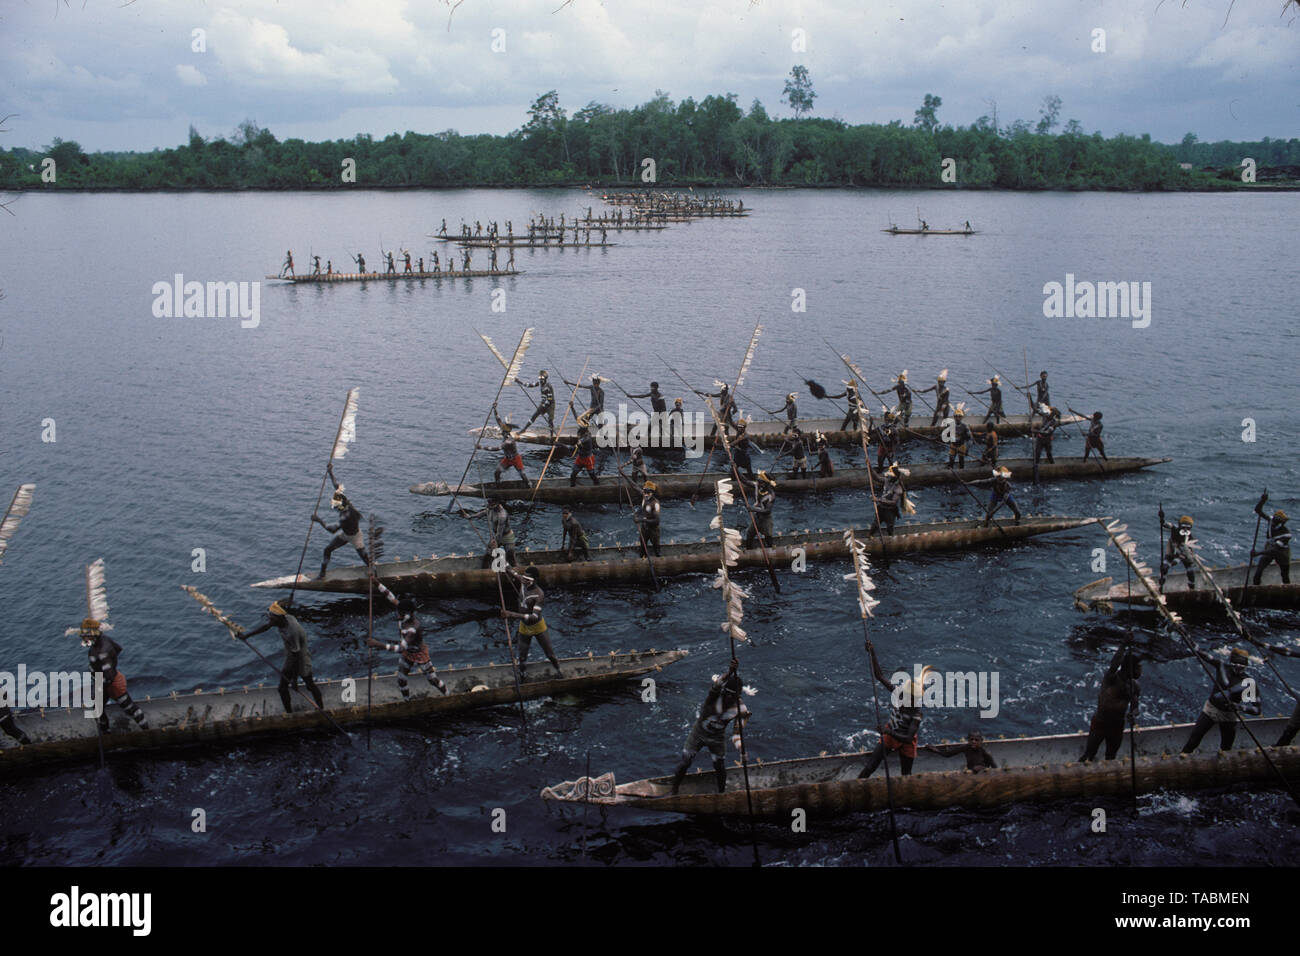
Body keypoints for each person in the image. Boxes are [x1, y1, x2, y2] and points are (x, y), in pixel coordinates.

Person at [669, 660, 751, 795]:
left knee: (719, 766)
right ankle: (673, 791)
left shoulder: (741, 710)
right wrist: (730, 671)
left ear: (738, 696)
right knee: (685, 762)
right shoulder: (714, 697)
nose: (729, 697)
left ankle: (721, 793)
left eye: (733, 695)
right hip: (698, 733)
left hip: (717, 738)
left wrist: (741, 749)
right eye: (727, 693)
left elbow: (737, 734)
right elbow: (718, 683)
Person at [858, 642, 930, 778]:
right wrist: (872, 652)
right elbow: (879, 676)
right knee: (870, 767)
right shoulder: (899, 694)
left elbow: (908, 738)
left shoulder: (916, 714)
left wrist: (888, 732)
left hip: (903, 739)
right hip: (890, 735)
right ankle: (857, 785)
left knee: (906, 774)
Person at [240, 602, 324, 714]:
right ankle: (289, 714)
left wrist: (294, 681)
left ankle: (322, 709)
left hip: (301, 657)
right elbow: (266, 627)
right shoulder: (282, 620)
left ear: (279, 618)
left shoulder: (292, 632)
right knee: (282, 688)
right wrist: (247, 636)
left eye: (272, 618)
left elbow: (296, 658)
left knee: (310, 685)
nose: (270, 620)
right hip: (291, 654)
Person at [366, 586, 447, 697]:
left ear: (409, 613)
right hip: (407, 654)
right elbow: (389, 595)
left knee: (433, 680)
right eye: (398, 612)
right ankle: (407, 701)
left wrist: (378, 644)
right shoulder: (403, 611)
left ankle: (447, 694)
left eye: (401, 614)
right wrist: (375, 582)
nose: (398, 615)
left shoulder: (413, 628)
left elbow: (401, 648)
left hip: (419, 654)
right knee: (401, 680)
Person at [1181, 647, 1260, 753]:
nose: (1239, 669)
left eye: (1243, 666)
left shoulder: (1249, 683)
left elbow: (1257, 710)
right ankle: (1183, 756)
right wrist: (1191, 644)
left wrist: (1240, 707)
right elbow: (1205, 656)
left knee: (1226, 747)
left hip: (1229, 715)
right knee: (1194, 740)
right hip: (1211, 710)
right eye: (1235, 665)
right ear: (1231, 663)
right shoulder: (1222, 666)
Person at [78, 618, 150, 733]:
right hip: (105, 681)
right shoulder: (104, 640)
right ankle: (106, 732)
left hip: (111, 684)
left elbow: (109, 677)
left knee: (129, 708)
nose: (83, 638)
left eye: (85, 636)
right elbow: (118, 648)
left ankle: (147, 732)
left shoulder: (101, 654)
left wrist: (99, 684)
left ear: (92, 635)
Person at [1079, 643, 1141, 761]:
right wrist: (1124, 643)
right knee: (1089, 754)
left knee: (1111, 756)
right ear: (1130, 669)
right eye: (1138, 668)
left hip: (1117, 725)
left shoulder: (1134, 686)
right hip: (1101, 722)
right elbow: (1114, 664)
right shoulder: (1112, 678)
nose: (1140, 671)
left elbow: (1135, 706)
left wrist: (1133, 714)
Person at [500, 566, 561, 674]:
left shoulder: (539, 594)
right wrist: (499, 559)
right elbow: (510, 570)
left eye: (527, 580)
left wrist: (512, 614)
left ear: (535, 580)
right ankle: (522, 675)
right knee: (522, 658)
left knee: (550, 654)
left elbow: (534, 616)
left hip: (538, 626)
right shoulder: (524, 582)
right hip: (524, 627)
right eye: (523, 578)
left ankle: (559, 671)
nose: (523, 580)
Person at [312, 464, 369, 576]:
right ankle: (322, 574)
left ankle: (373, 572)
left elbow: (331, 529)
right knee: (327, 550)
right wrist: (330, 472)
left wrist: (318, 520)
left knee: (364, 558)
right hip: (346, 534)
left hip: (356, 537)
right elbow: (336, 486)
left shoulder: (345, 517)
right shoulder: (347, 504)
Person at [479, 410, 528, 483]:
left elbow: (497, 448)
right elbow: (498, 420)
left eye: (503, 430)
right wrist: (495, 410)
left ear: (506, 431)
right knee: (497, 472)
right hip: (508, 459)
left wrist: (482, 447)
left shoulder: (509, 440)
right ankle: (498, 485)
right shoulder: (504, 432)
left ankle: (529, 486)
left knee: (522, 475)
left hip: (516, 459)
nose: (501, 431)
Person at [1252, 492, 1291, 585]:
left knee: (1284, 575)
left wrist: (1258, 553)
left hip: (1281, 553)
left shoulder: (1286, 534)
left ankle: (1287, 589)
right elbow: (1258, 510)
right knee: (1258, 573)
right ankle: (1256, 588)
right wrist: (1263, 501)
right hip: (1270, 548)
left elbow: (1274, 551)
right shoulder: (1271, 521)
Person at [1159, 510, 1196, 591]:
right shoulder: (1175, 529)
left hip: (1185, 554)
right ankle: (1161, 583)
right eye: (1183, 526)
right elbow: (1168, 525)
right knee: (1164, 567)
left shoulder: (1189, 539)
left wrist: (1171, 564)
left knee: (1190, 571)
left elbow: (1181, 557)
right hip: (1172, 550)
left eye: (1188, 527)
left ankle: (1191, 586)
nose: (1185, 529)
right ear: (1179, 525)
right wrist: (1162, 520)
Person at [869, 463, 910, 535]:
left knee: (890, 529)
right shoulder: (887, 481)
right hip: (881, 508)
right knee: (875, 526)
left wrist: (878, 500)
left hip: (890, 511)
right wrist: (869, 465)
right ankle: (870, 537)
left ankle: (890, 540)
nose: (888, 476)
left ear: (895, 477)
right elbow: (876, 477)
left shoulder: (898, 489)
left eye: (890, 475)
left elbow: (893, 502)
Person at [925, 731, 996, 771]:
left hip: (982, 775)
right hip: (970, 774)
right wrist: (935, 750)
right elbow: (948, 754)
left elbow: (995, 769)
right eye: (971, 739)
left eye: (976, 740)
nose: (973, 741)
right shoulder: (966, 748)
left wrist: (982, 768)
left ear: (981, 741)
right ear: (968, 740)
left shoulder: (985, 753)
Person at [1031, 404, 1064, 484]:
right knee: (1037, 452)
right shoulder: (1045, 416)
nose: (1049, 414)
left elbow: (1047, 432)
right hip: (1040, 438)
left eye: (1051, 413)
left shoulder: (1054, 422)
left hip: (1047, 439)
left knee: (1048, 453)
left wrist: (1036, 431)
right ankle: (1036, 466)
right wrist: (1030, 398)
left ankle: (1052, 466)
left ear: (1053, 415)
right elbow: (1035, 408)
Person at [744, 472, 776, 549]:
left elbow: (767, 510)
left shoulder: (771, 495)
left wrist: (753, 509)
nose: (758, 483)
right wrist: (735, 469)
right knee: (750, 534)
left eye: (760, 482)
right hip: (757, 517)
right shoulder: (758, 486)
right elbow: (744, 481)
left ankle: (770, 550)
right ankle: (748, 549)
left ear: (765, 484)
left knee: (768, 537)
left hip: (766, 519)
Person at [634, 481, 661, 557]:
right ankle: (643, 559)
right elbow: (634, 486)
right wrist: (624, 475)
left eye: (648, 493)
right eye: (645, 492)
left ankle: (658, 560)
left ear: (652, 493)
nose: (646, 494)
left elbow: (657, 521)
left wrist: (642, 520)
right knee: (642, 546)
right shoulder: (644, 497)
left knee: (656, 549)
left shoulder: (655, 504)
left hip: (653, 530)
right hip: (644, 528)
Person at [946, 404, 972, 470]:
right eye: (956, 416)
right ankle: (950, 470)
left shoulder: (965, 426)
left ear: (961, 417)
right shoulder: (951, 426)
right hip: (953, 445)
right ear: (954, 417)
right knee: (951, 461)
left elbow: (969, 439)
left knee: (961, 461)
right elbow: (947, 436)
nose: (957, 418)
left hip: (961, 446)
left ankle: (961, 471)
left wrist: (967, 449)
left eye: (959, 417)